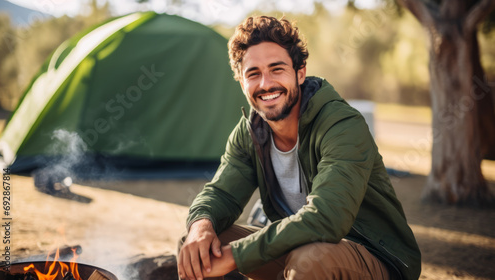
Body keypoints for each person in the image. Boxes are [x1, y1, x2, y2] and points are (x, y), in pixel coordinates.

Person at [177, 15, 421, 280]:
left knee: (307, 262)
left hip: (376, 257)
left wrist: (236, 256)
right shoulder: (250, 133)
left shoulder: (342, 125)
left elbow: (327, 217)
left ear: (300, 72)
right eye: (253, 73)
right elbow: (221, 194)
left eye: (277, 69)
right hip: (299, 249)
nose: (265, 83)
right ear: (241, 81)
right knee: (198, 249)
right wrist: (201, 224)